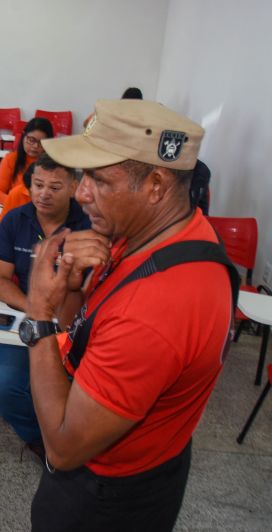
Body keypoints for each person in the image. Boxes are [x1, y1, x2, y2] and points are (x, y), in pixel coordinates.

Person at [23, 99, 234, 531]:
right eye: (83, 177)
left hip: (105, 496)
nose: (81, 193)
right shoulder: (164, 230)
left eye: (99, 179)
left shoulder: (155, 310)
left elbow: (63, 446)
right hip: (146, 459)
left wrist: (38, 313)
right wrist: (71, 288)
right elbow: (83, 326)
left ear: (156, 184)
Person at [0, 153, 89, 458]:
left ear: (74, 187)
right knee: (3, 384)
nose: (43, 193)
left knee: (98, 390)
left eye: (55, 187)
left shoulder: (89, 225)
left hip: (80, 325)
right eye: (38, 184)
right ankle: (45, 438)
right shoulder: (16, 220)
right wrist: (37, 306)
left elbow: (92, 290)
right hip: (31, 320)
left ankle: (78, 436)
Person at [0, 117, 55, 221]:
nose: (35, 146)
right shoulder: (11, 159)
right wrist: (16, 202)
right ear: (24, 136)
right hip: (17, 213)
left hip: (44, 215)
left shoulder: (53, 164)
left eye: (41, 142)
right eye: (31, 140)